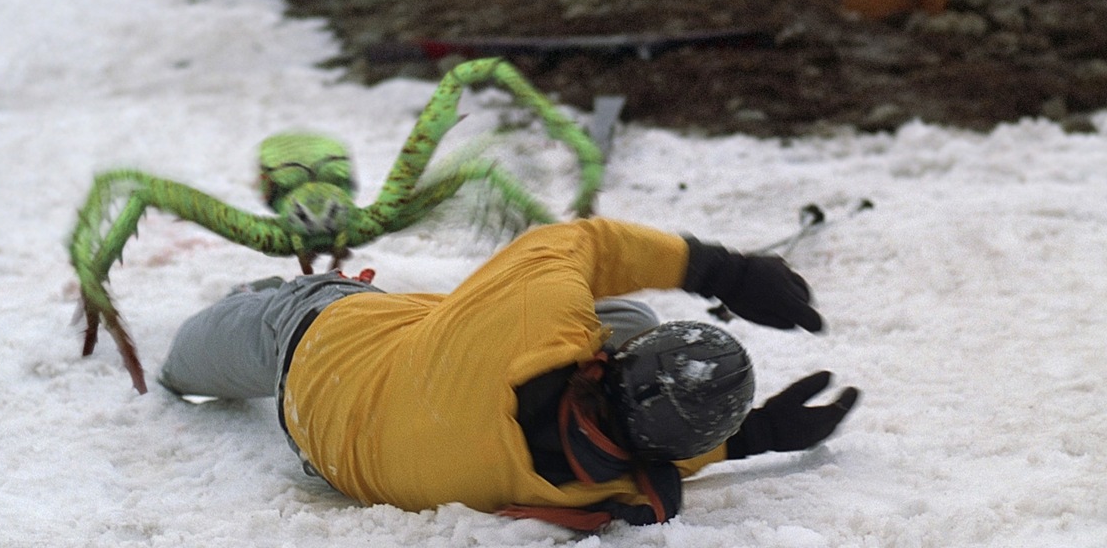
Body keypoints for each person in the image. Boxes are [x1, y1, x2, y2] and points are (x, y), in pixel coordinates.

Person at [158, 217, 859, 530]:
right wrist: (755, 435)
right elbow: (675, 455)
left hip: (312, 335)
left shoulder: (537, 320)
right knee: (623, 308)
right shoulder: (617, 493)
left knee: (177, 371)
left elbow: (577, 240)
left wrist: (724, 269)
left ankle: (269, 293)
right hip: (336, 447)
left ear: (607, 363)